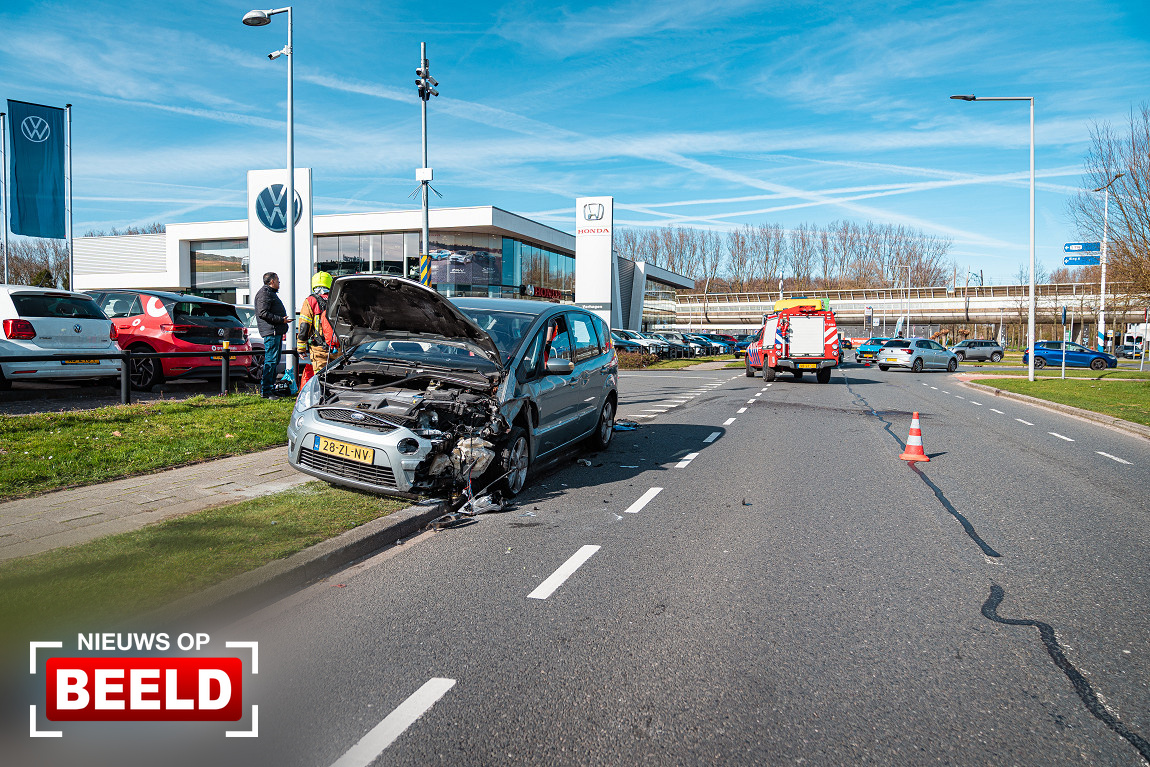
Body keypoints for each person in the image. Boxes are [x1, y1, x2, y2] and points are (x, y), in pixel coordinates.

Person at [297, 271, 336, 387]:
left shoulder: (310, 301)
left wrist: (301, 348)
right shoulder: (337, 299)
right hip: (337, 347)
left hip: (318, 348)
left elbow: (304, 326)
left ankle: (321, 401)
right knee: (336, 376)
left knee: (321, 378)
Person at [255, 272, 289, 398]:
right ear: (271, 281)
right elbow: (263, 313)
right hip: (271, 332)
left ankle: (270, 388)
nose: (279, 282)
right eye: (277, 280)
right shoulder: (265, 293)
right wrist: (281, 320)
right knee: (271, 361)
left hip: (275, 331)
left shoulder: (269, 293)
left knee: (274, 361)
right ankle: (266, 391)